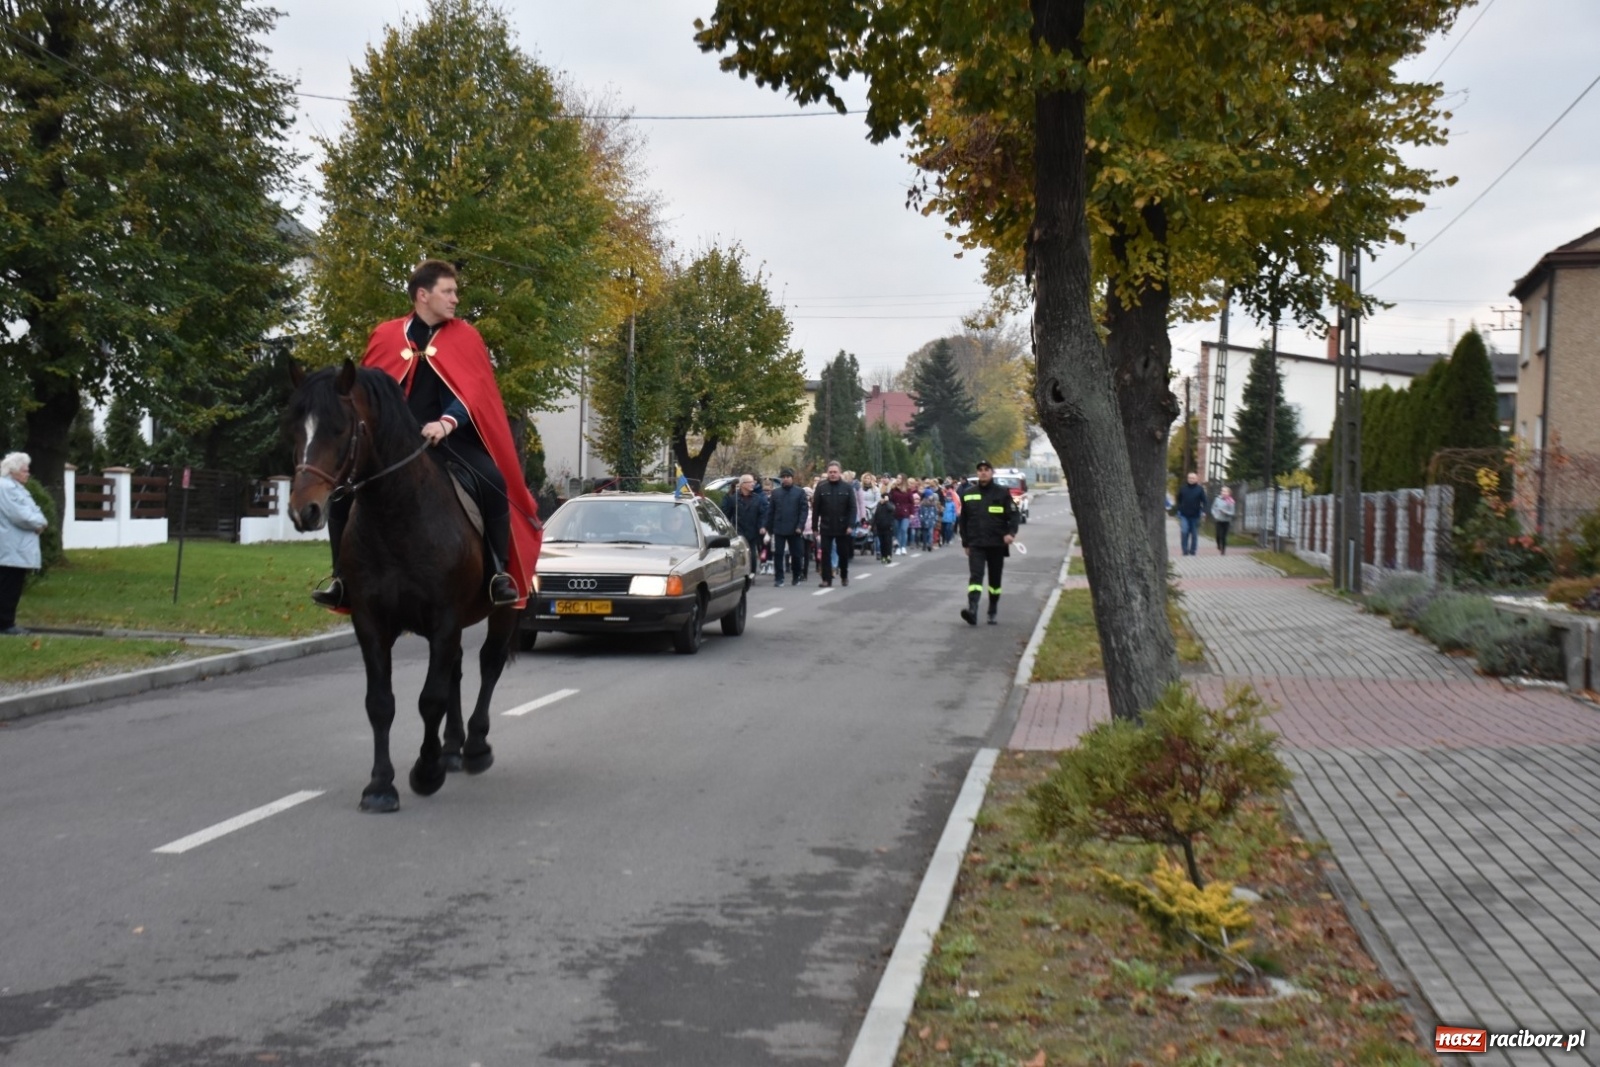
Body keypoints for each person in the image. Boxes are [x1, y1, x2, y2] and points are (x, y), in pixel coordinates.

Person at [313, 259, 539, 609]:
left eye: (455, 292)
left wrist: (445, 423)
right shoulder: (386, 335)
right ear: (423, 295)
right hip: (394, 446)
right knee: (342, 492)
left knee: (494, 483)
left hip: (452, 441)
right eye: (447, 291)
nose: (455, 299)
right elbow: (366, 396)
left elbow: (475, 394)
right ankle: (341, 577)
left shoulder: (466, 336)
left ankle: (497, 573)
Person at [958, 460, 1018, 625]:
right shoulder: (968, 493)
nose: (983, 472)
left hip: (997, 544)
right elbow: (963, 521)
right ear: (977, 473)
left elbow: (1014, 515)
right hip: (976, 543)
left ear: (991, 472)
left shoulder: (1002, 493)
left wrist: (1011, 533)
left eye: (986, 470)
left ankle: (992, 610)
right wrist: (966, 543)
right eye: (980, 470)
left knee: (994, 580)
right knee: (975, 577)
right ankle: (972, 610)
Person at [0, 452, 48, 636]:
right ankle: (5, 624)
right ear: (13, 471)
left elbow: (32, 511)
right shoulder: (7, 488)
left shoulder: (15, 487)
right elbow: (20, 514)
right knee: (8, 586)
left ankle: (6, 621)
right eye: (25, 470)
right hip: (11, 546)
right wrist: (39, 523)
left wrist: (39, 520)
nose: (28, 474)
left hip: (14, 547)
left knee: (11, 584)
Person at [811, 460, 856, 587]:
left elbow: (853, 508)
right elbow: (816, 509)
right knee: (825, 553)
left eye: (835, 472)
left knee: (843, 553)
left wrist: (851, 525)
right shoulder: (821, 487)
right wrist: (814, 527)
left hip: (842, 526)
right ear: (827, 473)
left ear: (840, 473)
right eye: (830, 472)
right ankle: (826, 579)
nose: (832, 474)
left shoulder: (847, 487)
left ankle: (844, 575)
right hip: (826, 525)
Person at [766, 468, 808, 586]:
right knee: (778, 554)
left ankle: (796, 576)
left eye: (788, 477)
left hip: (795, 529)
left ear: (792, 478)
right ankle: (779, 578)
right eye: (783, 477)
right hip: (779, 528)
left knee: (796, 554)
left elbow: (803, 511)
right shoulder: (776, 493)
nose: (785, 479)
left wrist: (800, 526)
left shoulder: (800, 492)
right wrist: (769, 529)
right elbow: (771, 512)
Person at [721, 473, 770, 575]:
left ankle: (752, 573)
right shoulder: (733, 499)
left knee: (752, 553)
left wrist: (762, 526)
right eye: (750, 482)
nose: (753, 484)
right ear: (743, 484)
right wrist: (728, 528)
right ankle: (739, 573)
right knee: (739, 553)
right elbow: (726, 515)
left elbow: (764, 514)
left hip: (753, 530)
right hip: (739, 530)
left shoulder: (758, 499)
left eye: (753, 482)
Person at [1175, 471, 1208, 557]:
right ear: (1187, 479)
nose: (1191, 480)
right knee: (1184, 532)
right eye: (1190, 478)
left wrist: (1204, 511)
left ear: (1196, 479)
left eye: (1193, 478)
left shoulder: (1200, 489)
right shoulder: (1183, 488)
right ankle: (1185, 550)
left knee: (1194, 534)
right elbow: (1178, 499)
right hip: (1184, 515)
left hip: (1195, 515)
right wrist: (1179, 509)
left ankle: (1193, 551)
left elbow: (1204, 501)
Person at [1213, 485, 1237, 554]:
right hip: (1218, 519)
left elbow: (1232, 512)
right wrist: (1215, 514)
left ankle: (1223, 550)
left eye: (1225, 491)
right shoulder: (1217, 499)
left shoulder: (1231, 501)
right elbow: (1213, 508)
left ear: (1228, 493)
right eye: (1222, 491)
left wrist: (1225, 512)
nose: (1223, 492)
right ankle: (1218, 544)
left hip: (1226, 521)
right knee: (1218, 535)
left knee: (1223, 536)